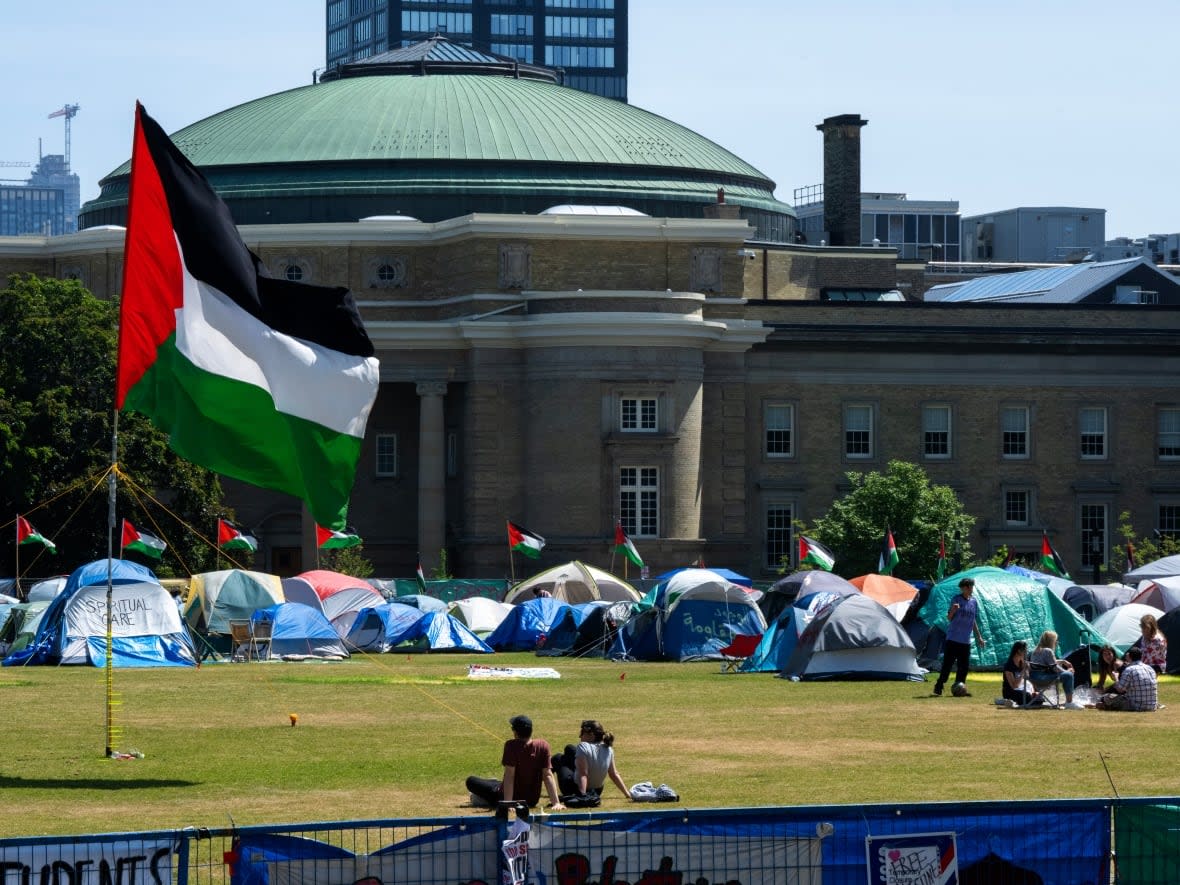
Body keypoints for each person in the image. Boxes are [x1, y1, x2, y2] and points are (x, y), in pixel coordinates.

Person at [466, 715, 565, 810]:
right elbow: (547, 775)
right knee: (495, 783)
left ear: (515, 732)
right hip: (531, 801)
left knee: (471, 781)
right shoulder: (543, 745)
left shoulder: (511, 746)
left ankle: (477, 798)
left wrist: (508, 803)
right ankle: (495, 785)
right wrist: (556, 802)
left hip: (509, 797)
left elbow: (510, 775)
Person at [555, 719, 632, 802]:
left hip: (575, 789)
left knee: (558, 758)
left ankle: (546, 778)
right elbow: (614, 774)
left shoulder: (583, 746)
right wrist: (627, 794)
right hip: (597, 791)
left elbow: (583, 774)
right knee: (569, 748)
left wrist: (583, 795)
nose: (580, 736)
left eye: (582, 733)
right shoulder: (609, 749)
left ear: (591, 735)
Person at [933, 577, 985, 696]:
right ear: (964, 588)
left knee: (964, 667)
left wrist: (979, 637)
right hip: (953, 639)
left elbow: (973, 621)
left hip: (965, 641)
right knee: (947, 665)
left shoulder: (974, 602)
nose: (970, 589)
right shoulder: (956, 599)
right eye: (968, 587)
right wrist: (953, 610)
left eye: (970, 586)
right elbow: (949, 618)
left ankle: (960, 688)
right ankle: (939, 685)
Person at [1028, 630, 1083, 708]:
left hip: (1034, 678)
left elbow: (1045, 663)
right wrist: (1067, 671)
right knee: (1068, 675)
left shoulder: (1035, 651)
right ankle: (1069, 703)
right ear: (1051, 641)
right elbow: (1054, 668)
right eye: (1056, 640)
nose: (1057, 642)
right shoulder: (1048, 651)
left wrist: (1062, 661)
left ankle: (1068, 702)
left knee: (1066, 674)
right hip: (1044, 679)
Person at [1096, 646, 1159, 712]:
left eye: (1109, 654)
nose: (1107, 657)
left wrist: (1116, 678)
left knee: (1107, 697)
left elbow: (1120, 690)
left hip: (1136, 706)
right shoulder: (1150, 668)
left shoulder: (1128, 669)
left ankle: (1107, 706)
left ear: (1128, 656)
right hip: (1152, 706)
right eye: (1105, 654)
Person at [1002, 640, 1038, 707]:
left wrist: (1033, 691)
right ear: (1019, 651)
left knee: (1039, 696)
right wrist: (1023, 671)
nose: (1026, 652)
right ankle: (1006, 700)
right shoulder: (1008, 666)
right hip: (1011, 691)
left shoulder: (1023, 663)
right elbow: (1014, 686)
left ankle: (1010, 702)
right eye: (1025, 650)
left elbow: (1028, 680)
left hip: (1024, 689)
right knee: (1028, 697)